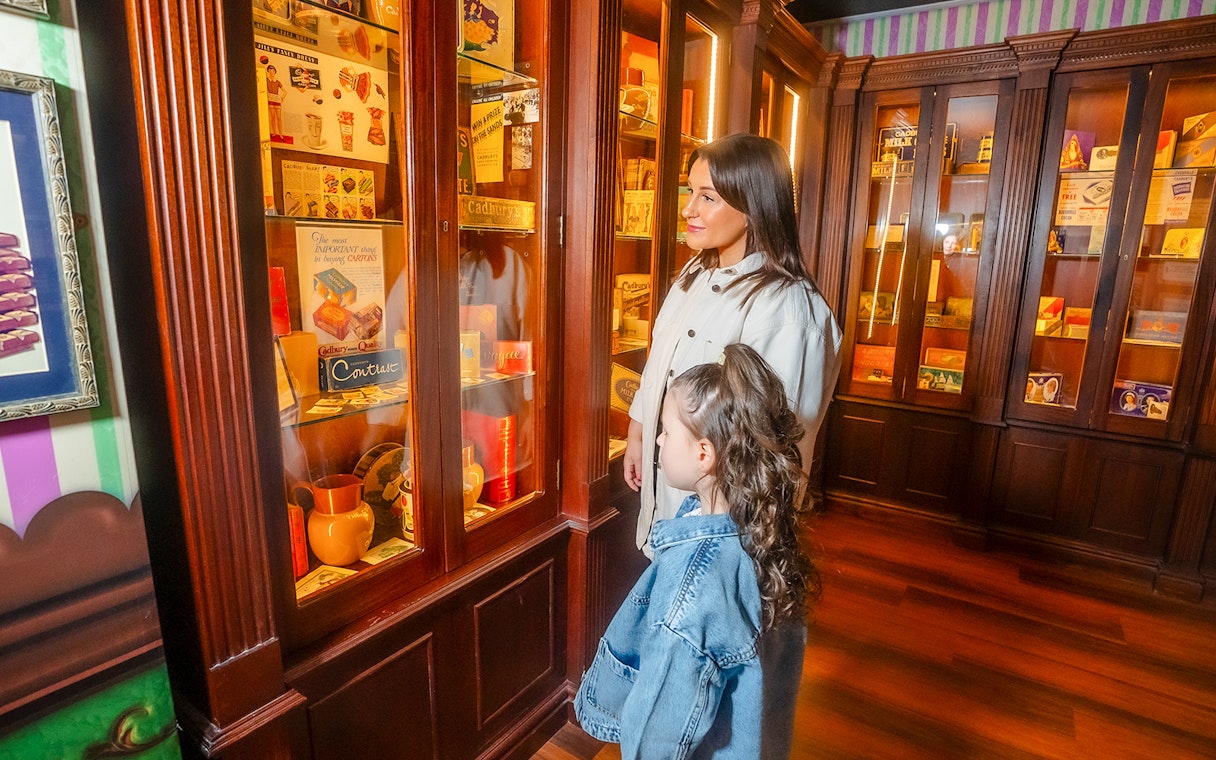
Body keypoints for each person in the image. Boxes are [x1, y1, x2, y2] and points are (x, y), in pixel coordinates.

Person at [576, 344, 817, 757]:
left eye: (667, 431)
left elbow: (658, 734)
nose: (657, 438)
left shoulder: (693, 590)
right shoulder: (760, 524)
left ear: (704, 454)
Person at [623, 133, 842, 550]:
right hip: (670, 508)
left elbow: (775, 448)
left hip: (725, 534)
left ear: (752, 206)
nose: (688, 208)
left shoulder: (787, 309)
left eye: (707, 197)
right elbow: (660, 363)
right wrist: (639, 432)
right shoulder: (693, 275)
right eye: (691, 191)